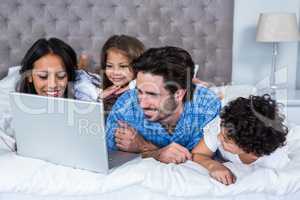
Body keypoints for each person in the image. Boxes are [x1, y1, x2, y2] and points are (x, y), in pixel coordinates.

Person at [106, 46, 221, 164]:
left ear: (178, 94)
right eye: (139, 91)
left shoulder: (207, 106)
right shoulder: (125, 107)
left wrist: (145, 148)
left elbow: (207, 157)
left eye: (152, 94)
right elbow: (106, 158)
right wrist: (156, 153)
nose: (142, 103)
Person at [192, 94, 289, 185]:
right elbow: (198, 154)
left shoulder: (275, 161)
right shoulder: (225, 125)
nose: (218, 137)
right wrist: (213, 165)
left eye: (226, 140)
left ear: (249, 149)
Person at [74, 35, 145, 112]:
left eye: (123, 66)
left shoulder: (142, 91)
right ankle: (81, 66)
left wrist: (132, 85)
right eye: (109, 66)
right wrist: (100, 97)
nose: (115, 72)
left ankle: (81, 65)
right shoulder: (102, 87)